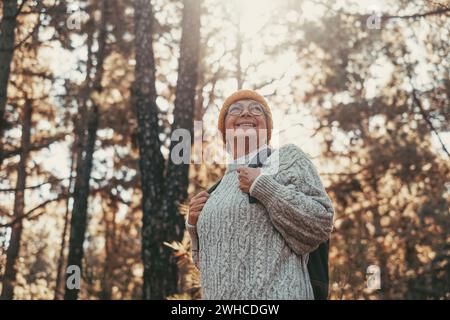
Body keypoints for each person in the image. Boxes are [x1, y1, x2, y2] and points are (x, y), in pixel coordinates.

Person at [186, 89, 334, 299]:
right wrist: (193, 227)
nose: (246, 113)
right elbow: (209, 267)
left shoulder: (287, 159)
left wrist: (263, 187)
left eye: (257, 110)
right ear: (224, 131)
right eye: (235, 110)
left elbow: (321, 222)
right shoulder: (215, 191)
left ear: (268, 129)